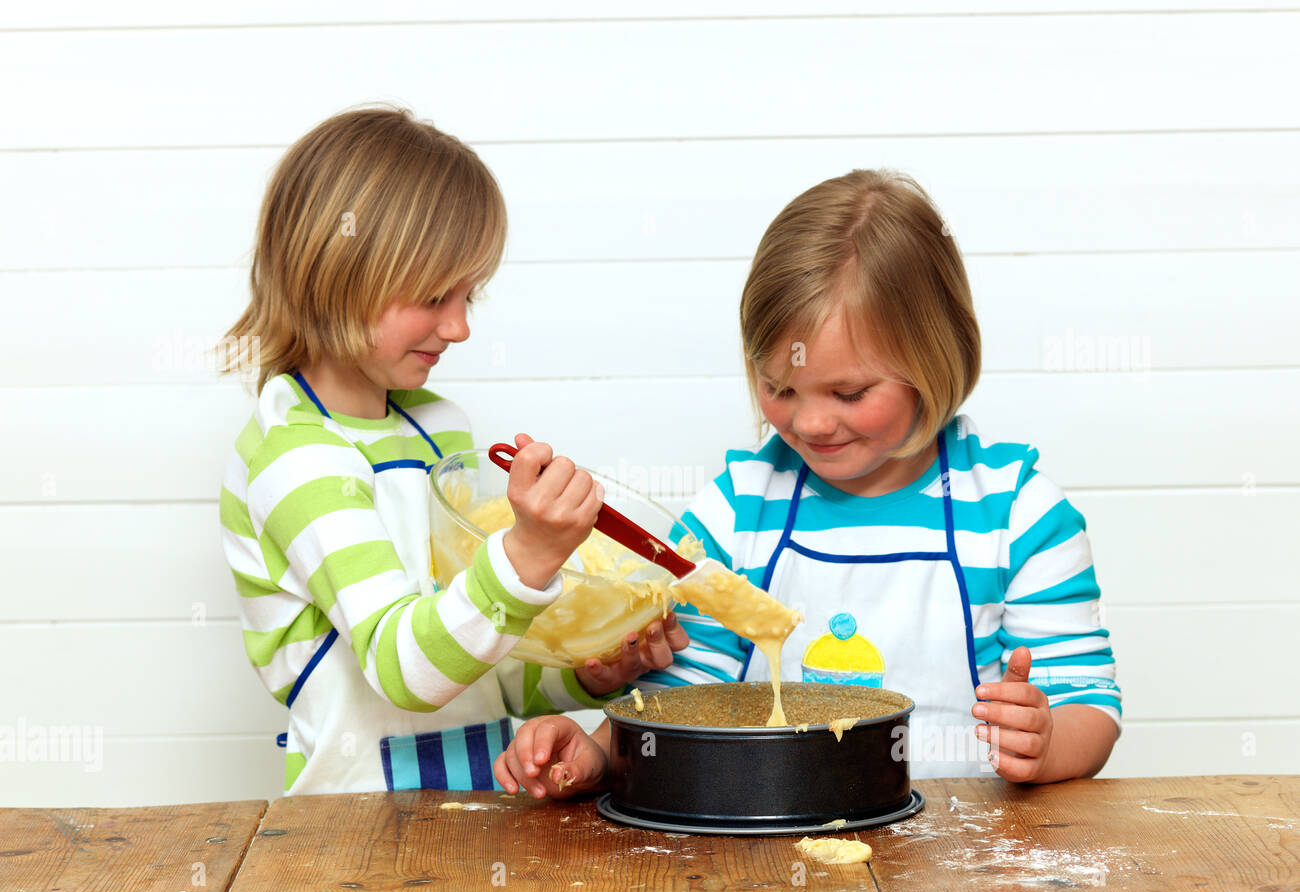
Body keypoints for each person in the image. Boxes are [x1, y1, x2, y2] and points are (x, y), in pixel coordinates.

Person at [496, 168, 1120, 797]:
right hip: (775, 864)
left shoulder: (1016, 511)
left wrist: (1044, 743)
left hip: (963, 867)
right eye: (780, 387)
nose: (813, 422)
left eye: (850, 392)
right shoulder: (736, 511)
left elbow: (1087, 703)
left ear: (936, 359)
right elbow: (677, 706)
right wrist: (600, 757)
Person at [219, 105, 684, 796]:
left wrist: (584, 674)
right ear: (333, 271)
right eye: (435, 295)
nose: (460, 326)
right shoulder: (297, 457)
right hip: (351, 833)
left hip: (483, 807)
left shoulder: (441, 431)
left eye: (470, 294)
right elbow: (406, 669)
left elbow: (478, 665)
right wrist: (528, 554)